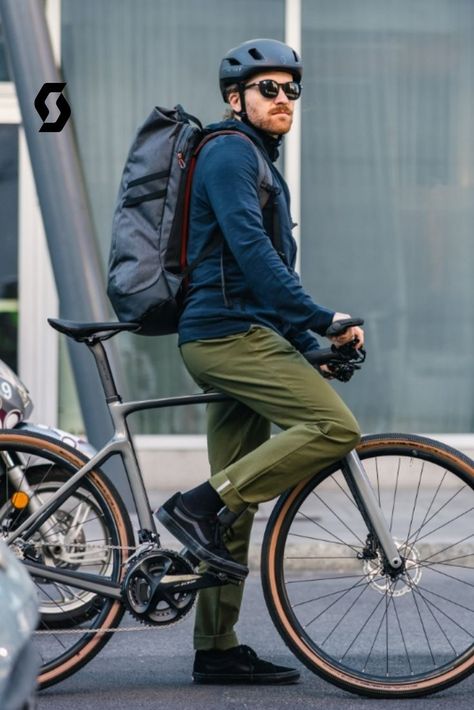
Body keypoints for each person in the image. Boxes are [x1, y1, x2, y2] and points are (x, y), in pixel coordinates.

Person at [157, 38, 364, 685]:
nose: (282, 99)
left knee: (235, 504)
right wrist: (321, 318)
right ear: (235, 98)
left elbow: (254, 277)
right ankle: (197, 505)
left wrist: (308, 350)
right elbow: (251, 254)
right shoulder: (228, 153)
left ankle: (216, 647)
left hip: (242, 331)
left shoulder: (259, 162)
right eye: (267, 88)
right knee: (336, 429)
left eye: (290, 89)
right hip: (226, 337)